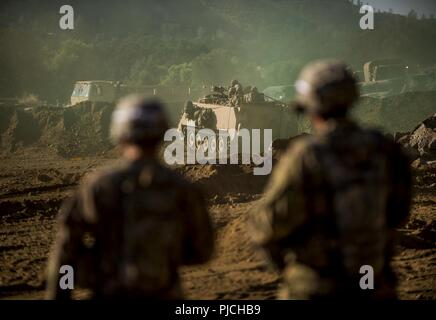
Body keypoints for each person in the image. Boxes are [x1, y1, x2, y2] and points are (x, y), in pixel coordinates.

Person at [249, 60, 411, 300]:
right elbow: (399, 212)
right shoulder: (386, 150)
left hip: (317, 287)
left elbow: (269, 223)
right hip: (375, 285)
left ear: (311, 107)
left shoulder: (306, 155)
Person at [46, 95, 214, 299]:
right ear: (162, 133)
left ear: (119, 134)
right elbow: (202, 251)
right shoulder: (183, 189)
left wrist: (63, 293)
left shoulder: (98, 186)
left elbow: (66, 253)